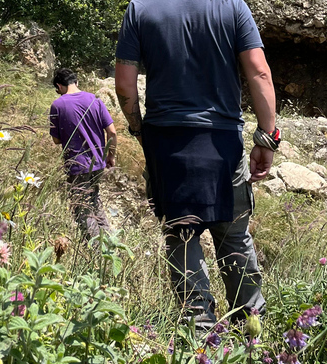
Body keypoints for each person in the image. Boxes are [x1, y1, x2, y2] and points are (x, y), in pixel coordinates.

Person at [114, 0, 279, 328]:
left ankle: (200, 332)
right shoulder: (233, 7)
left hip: (167, 143)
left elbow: (124, 84)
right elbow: (259, 71)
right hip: (223, 144)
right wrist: (267, 138)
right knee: (234, 236)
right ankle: (251, 330)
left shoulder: (140, 9)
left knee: (182, 234)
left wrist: (138, 129)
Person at [49, 68, 118, 241]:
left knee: (82, 209)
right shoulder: (95, 100)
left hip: (76, 165)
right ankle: (110, 246)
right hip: (98, 163)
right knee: (94, 204)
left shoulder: (57, 105)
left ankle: (96, 252)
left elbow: (56, 140)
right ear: (76, 82)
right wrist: (111, 155)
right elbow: (112, 132)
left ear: (59, 86)